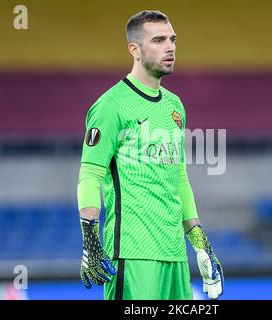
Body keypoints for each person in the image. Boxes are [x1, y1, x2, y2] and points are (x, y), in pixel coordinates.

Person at [76, 10, 223, 300]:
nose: (170, 47)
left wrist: (200, 243)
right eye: (158, 40)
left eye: (172, 39)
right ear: (135, 50)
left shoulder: (175, 106)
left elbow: (178, 177)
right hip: (133, 253)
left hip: (175, 255)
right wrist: (90, 240)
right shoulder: (111, 106)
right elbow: (90, 175)